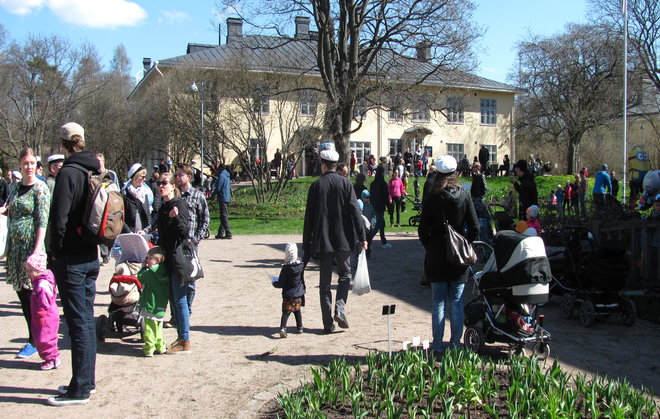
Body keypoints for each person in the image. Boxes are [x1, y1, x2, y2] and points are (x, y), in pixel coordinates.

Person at [47, 122, 101, 406]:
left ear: (63, 144)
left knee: (77, 323)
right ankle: (86, 381)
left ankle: (79, 389)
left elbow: (59, 219)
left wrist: (54, 252)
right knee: (86, 321)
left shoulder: (68, 172)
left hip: (71, 258)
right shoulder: (94, 169)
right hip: (92, 255)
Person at [302, 146, 367, 334]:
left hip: (323, 241)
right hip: (343, 240)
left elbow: (309, 219)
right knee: (345, 275)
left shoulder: (316, 186)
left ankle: (327, 323)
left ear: (322, 164)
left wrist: (307, 244)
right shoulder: (346, 184)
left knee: (324, 283)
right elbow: (356, 212)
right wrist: (362, 237)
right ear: (335, 165)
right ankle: (340, 308)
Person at [417, 155, 479, 355]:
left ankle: (437, 344)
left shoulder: (432, 196)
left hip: (436, 253)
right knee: (457, 301)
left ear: (438, 174)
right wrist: (464, 242)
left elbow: (422, 228)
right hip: (458, 257)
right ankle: (455, 344)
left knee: (438, 302)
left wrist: (430, 244)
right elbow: (475, 227)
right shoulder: (464, 195)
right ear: (455, 173)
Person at [1, 147, 50, 359]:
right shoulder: (15, 188)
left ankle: (38, 340)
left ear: (36, 165)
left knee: (35, 297)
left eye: (32, 163)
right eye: (25, 163)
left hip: (32, 248)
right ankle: (33, 337)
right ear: (20, 165)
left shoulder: (41, 188)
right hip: (16, 250)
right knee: (23, 295)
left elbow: (42, 220)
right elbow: (10, 209)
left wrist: (37, 250)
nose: (28, 166)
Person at [150, 172, 192, 353]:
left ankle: (185, 340)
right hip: (167, 258)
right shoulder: (163, 206)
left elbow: (184, 233)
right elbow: (158, 230)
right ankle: (181, 338)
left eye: (164, 183)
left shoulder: (178, 204)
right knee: (174, 301)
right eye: (159, 183)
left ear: (173, 185)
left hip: (178, 259)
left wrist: (175, 218)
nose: (161, 186)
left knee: (180, 300)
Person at [172, 164, 210, 325]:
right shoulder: (174, 194)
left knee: (190, 279)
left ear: (189, 176)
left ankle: (186, 310)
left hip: (190, 244)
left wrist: (196, 238)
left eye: (181, 175)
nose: (178, 177)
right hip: (175, 242)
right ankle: (177, 315)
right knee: (174, 279)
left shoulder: (197, 195)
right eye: (177, 175)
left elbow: (205, 219)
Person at [25, 251, 61, 370]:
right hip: (44, 316)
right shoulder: (39, 282)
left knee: (45, 338)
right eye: (28, 270)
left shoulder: (42, 285)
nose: (29, 273)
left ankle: (51, 358)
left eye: (31, 270)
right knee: (44, 337)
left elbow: (44, 303)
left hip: (46, 316)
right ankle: (50, 357)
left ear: (39, 269)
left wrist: (40, 315)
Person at [138, 246, 170, 357]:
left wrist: (143, 268)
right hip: (161, 304)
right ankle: (160, 346)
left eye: (149, 258)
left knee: (149, 328)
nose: (147, 260)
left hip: (150, 303)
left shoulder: (150, 273)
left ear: (157, 259)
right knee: (158, 327)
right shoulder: (164, 270)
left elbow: (140, 278)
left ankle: (149, 348)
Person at [272, 243, 306, 337]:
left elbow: (281, 283)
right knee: (297, 310)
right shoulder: (301, 267)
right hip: (298, 294)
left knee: (286, 312)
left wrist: (274, 283)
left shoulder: (285, 269)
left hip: (288, 295)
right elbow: (302, 280)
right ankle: (300, 327)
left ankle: (283, 328)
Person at [122, 163, 152, 234]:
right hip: (130, 234)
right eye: (142, 177)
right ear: (135, 177)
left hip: (143, 233)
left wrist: (146, 230)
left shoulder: (144, 193)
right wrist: (129, 232)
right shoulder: (124, 194)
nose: (144, 179)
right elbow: (121, 218)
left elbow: (148, 215)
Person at [369, 166, 391, 249]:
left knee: (382, 224)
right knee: (379, 224)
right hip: (380, 206)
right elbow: (386, 196)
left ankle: (384, 241)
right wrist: (389, 207)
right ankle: (369, 239)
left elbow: (371, 196)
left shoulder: (373, 184)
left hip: (374, 205)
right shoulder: (383, 184)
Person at [214, 163, 232, 240]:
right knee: (223, 215)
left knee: (223, 216)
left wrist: (212, 195)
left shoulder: (221, 176)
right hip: (226, 197)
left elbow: (218, 187)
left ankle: (228, 233)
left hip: (222, 197)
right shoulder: (227, 175)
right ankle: (220, 233)